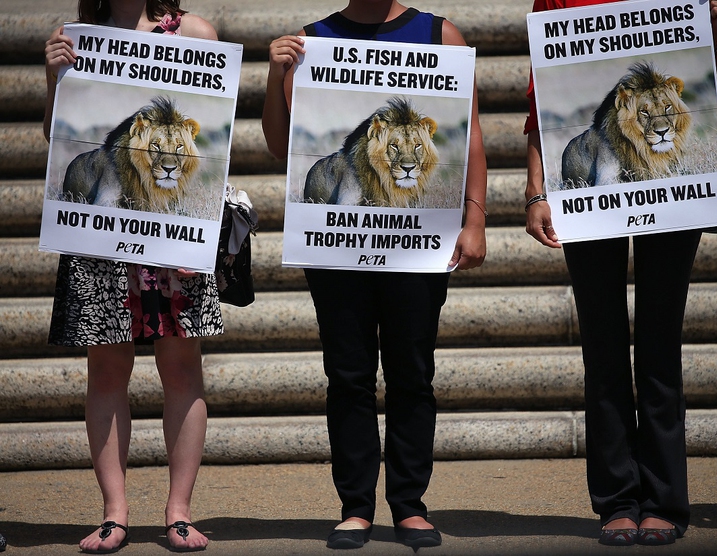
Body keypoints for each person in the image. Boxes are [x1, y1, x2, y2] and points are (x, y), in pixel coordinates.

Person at [262, 0, 487, 549]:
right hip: (338, 248)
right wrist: (275, 76)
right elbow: (277, 146)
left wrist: (475, 218)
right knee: (348, 374)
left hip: (416, 247)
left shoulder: (440, 34)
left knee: (412, 372)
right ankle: (356, 506)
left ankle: (409, 505)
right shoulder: (310, 41)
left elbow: (471, 135)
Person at [524, 0, 717, 547]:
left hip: (672, 195)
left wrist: (714, 22)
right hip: (594, 186)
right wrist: (537, 190)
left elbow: (704, 72)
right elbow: (539, 95)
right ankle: (617, 498)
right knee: (604, 341)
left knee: (660, 341)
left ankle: (664, 498)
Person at [43, 0, 222, 552]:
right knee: (106, 371)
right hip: (100, 240)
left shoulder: (194, 30)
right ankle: (114, 512)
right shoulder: (74, 37)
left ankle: (179, 511)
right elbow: (54, 135)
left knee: (182, 370)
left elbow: (214, 128)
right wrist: (55, 78)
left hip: (174, 237)